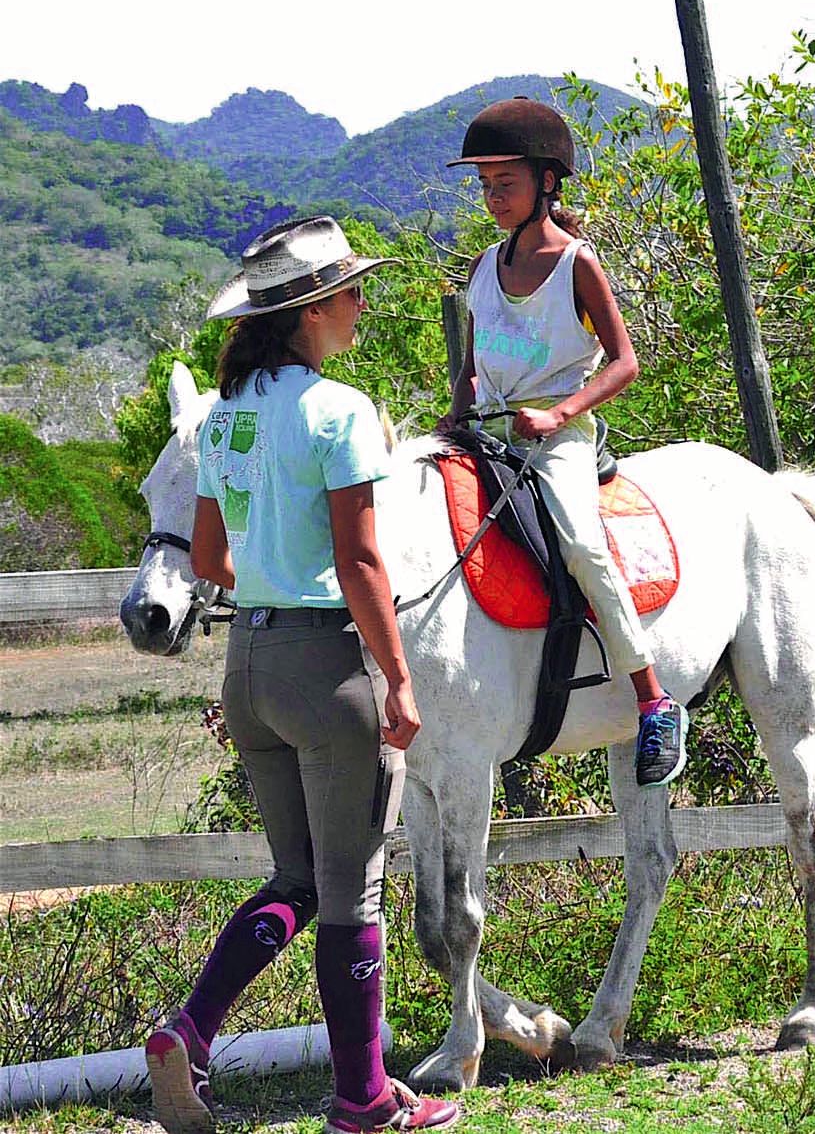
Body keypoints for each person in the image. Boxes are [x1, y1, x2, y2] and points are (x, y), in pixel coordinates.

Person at [145, 217, 459, 1131]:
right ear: (314, 310)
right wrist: (397, 679)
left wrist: (275, 590)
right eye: (352, 290)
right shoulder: (341, 411)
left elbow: (207, 555)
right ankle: (362, 1097)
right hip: (325, 670)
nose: (363, 302)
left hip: (249, 667)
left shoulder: (225, 415)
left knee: (298, 881)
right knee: (351, 887)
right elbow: (362, 563)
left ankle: (192, 1030)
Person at [443, 97, 685, 787]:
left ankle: (652, 697)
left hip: (557, 436)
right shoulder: (483, 265)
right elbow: (469, 363)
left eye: (506, 184)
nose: (493, 198)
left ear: (547, 182)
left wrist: (559, 414)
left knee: (579, 541)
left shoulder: (577, 263)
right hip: (486, 430)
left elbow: (624, 361)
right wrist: (452, 418)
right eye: (486, 186)